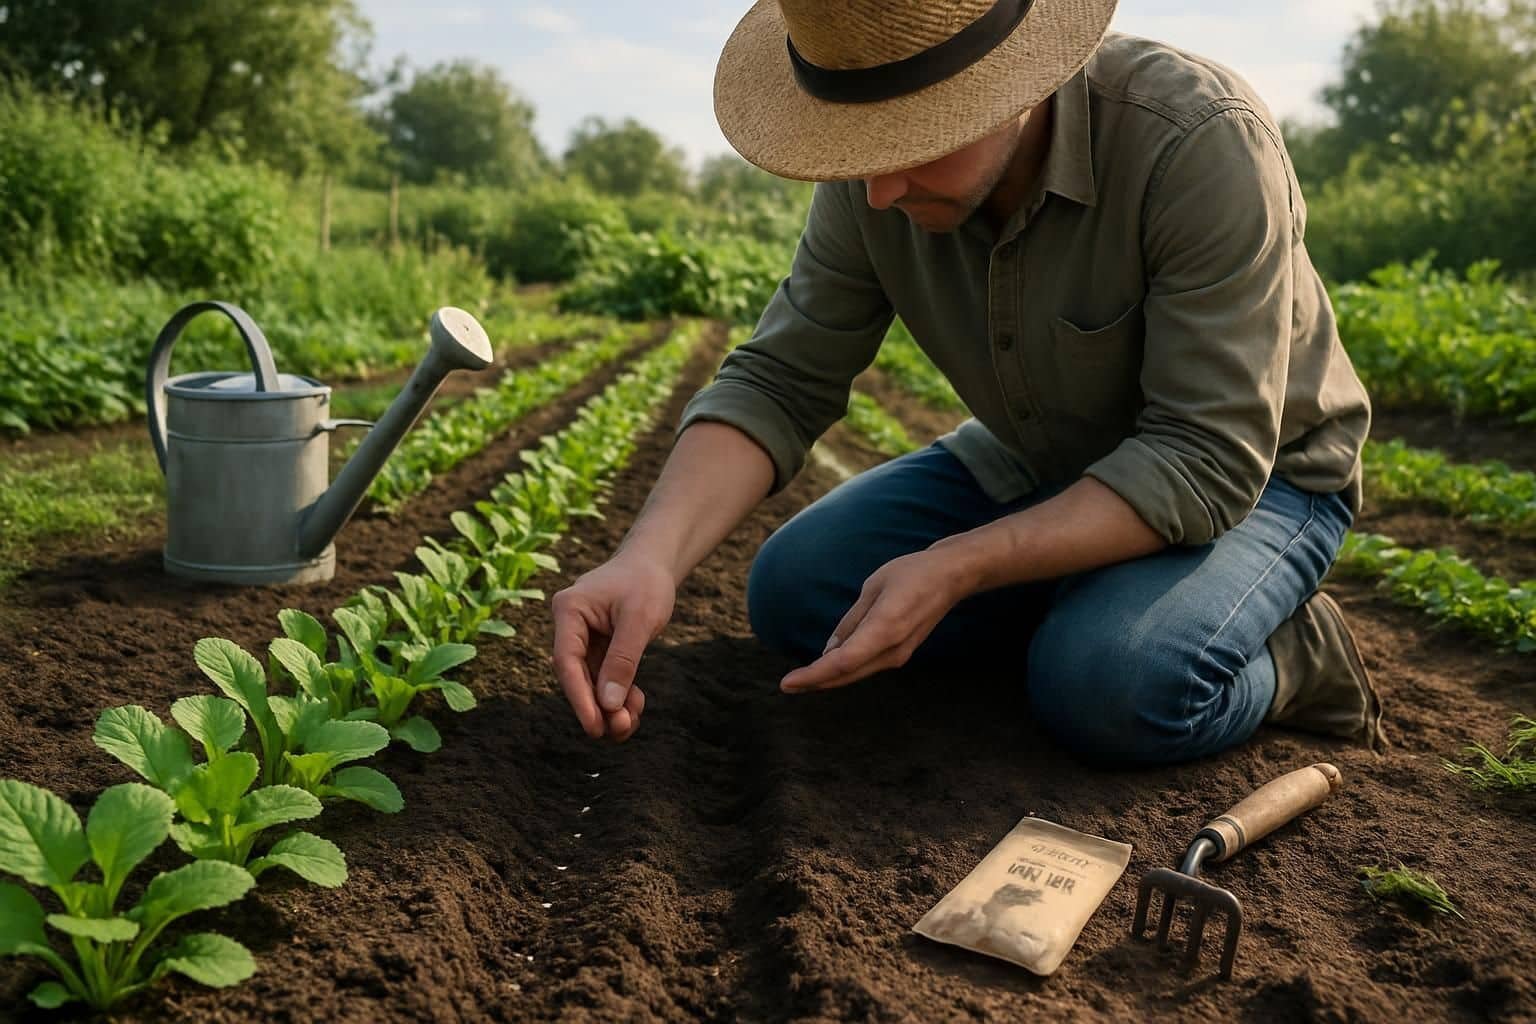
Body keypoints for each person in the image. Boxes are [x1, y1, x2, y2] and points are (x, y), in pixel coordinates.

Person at [550, 0, 1384, 763]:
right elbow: (780, 377)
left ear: (1014, 88)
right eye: (859, 153)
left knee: (1111, 685)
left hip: (1263, 477)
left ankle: (1289, 652)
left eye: (914, 142)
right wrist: (648, 560)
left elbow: (1206, 456)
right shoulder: (871, 177)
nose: (877, 191)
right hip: (1044, 449)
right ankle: (1085, 594)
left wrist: (962, 565)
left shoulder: (1195, 140)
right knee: (798, 596)